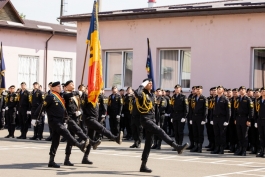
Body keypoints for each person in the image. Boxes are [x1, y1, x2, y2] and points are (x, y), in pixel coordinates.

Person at [33, 81, 100, 168]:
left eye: (60, 86)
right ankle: (79, 145)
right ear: (52, 88)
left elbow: (69, 95)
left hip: (61, 121)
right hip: (54, 121)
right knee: (66, 133)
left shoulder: (61, 96)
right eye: (57, 86)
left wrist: (78, 92)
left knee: (55, 141)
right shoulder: (50, 96)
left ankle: (51, 161)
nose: (59, 87)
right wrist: (35, 118)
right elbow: (42, 106)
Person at [134, 78, 188, 173]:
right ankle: (176, 147)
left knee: (148, 144)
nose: (151, 84)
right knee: (160, 132)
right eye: (148, 83)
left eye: (151, 83)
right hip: (145, 119)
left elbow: (155, 110)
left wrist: (157, 122)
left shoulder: (152, 95)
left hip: (152, 119)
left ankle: (143, 165)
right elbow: (137, 93)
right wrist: (142, 85)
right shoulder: (142, 93)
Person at [81, 86, 123, 165]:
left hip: (94, 118)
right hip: (89, 119)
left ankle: (85, 158)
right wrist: (84, 93)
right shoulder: (86, 97)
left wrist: (103, 115)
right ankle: (115, 138)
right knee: (101, 129)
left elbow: (103, 105)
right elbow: (83, 103)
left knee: (91, 137)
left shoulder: (96, 97)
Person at [210, 86, 231, 154]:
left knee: (222, 134)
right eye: (217, 89)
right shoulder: (215, 98)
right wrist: (211, 118)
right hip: (215, 118)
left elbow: (228, 111)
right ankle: (217, 148)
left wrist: (227, 120)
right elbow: (212, 109)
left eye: (219, 89)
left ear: (222, 91)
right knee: (216, 134)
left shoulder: (225, 99)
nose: (217, 90)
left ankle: (221, 149)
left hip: (222, 118)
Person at [234, 86, 254, 156]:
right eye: (240, 90)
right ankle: (240, 148)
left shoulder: (248, 99)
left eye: (243, 90)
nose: (242, 91)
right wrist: (235, 119)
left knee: (244, 135)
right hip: (238, 118)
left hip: (245, 118)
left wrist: (249, 120)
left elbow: (251, 110)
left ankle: (244, 150)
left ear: (245, 91)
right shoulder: (238, 99)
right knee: (239, 135)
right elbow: (235, 110)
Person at [190, 86, 208, 153]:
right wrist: (191, 118)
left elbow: (205, 109)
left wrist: (204, 119)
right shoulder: (193, 98)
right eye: (197, 89)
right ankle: (196, 146)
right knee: (195, 132)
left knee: (200, 133)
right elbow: (191, 109)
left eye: (199, 89)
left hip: (200, 117)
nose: (197, 91)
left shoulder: (204, 98)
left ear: (201, 90)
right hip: (194, 117)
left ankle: (200, 147)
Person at [170, 85, 188, 151]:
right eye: (175, 88)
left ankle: (180, 145)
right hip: (175, 116)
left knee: (180, 131)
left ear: (180, 89)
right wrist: (171, 116)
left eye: (178, 88)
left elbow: (186, 107)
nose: (176, 89)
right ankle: (177, 145)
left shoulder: (183, 97)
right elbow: (171, 107)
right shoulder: (173, 97)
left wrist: (184, 117)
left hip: (181, 116)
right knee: (176, 131)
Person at [255, 87, 265, 157]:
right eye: (262, 91)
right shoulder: (258, 100)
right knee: (261, 136)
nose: (262, 92)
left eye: (264, 91)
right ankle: (262, 151)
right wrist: (256, 121)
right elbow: (256, 111)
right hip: (260, 120)